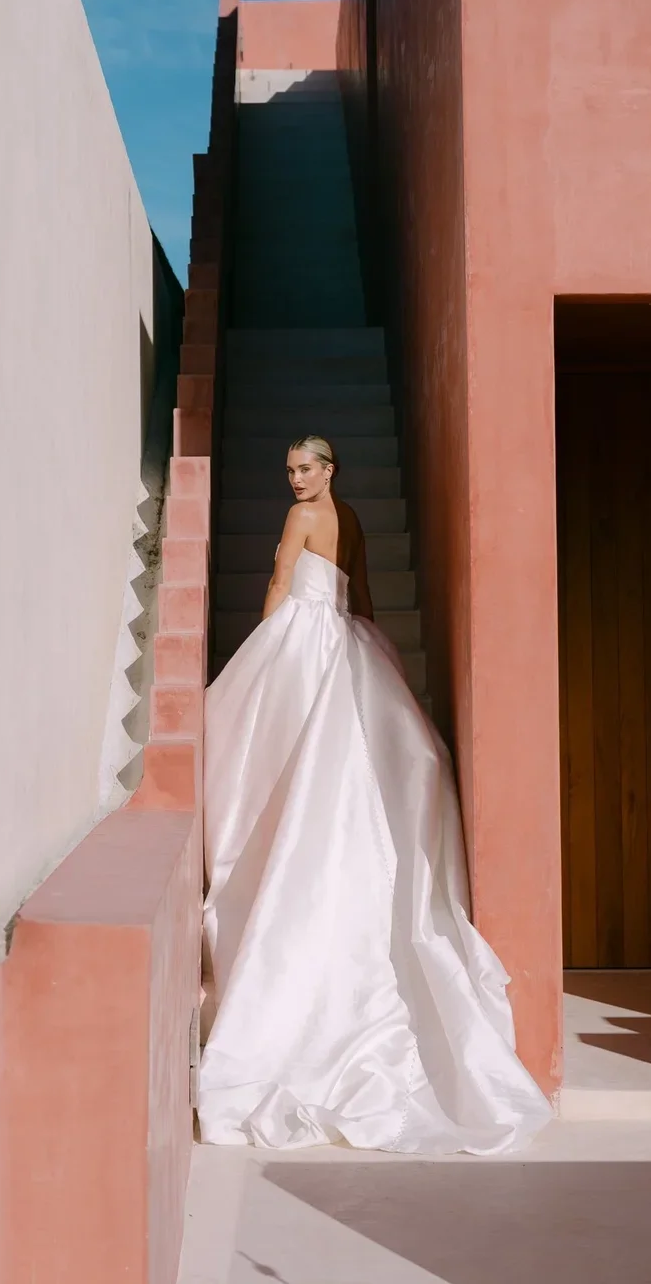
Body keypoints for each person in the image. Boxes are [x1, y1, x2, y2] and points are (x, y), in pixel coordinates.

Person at [197, 435, 552, 1154]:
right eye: (290, 470)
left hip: (300, 637)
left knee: (276, 745)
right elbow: (362, 590)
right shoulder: (352, 517)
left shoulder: (302, 522)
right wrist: (373, 645)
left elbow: (277, 584)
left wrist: (265, 653)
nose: (296, 480)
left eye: (306, 468)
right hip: (346, 637)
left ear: (329, 470)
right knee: (351, 756)